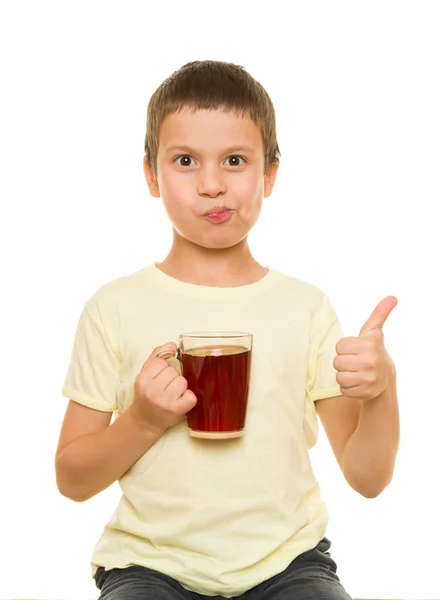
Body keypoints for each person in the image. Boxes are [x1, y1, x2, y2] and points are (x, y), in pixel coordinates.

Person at [56, 60, 399, 600]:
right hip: (149, 567)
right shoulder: (113, 307)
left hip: (289, 566)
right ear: (151, 174)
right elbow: (72, 479)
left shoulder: (305, 308)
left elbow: (367, 477)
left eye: (234, 161)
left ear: (269, 174)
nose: (212, 185)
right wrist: (143, 421)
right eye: (186, 160)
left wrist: (382, 392)